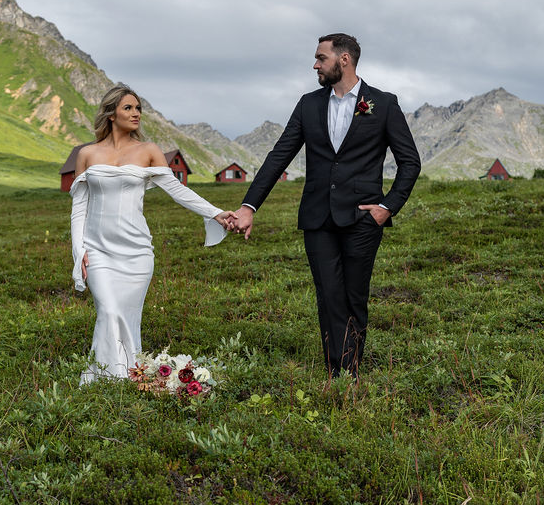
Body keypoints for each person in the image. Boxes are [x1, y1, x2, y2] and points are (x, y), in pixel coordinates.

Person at [229, 33, 421, 379]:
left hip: (363, 219)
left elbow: (410, 162)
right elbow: (278, 157)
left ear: (343, 60)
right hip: (317, 218)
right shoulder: (308, 104)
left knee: (354, 295)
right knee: (328, 293)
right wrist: (249, 206)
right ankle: (340, 372)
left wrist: (387, 207)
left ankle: (350, 366)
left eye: (321, 58)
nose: (315, 65)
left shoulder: (384, 103)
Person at [70, 84, 233, 384]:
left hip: (136, 253)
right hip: (99, 250)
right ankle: (107, 379)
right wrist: (79, 251)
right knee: (108, 310)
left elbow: (178, 191)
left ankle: (126, 377)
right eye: (128, 108)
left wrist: (216, 213)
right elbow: (79, 209)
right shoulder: (87, 154)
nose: (136, 114)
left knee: (127, 317)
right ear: (111, 113)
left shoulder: (148, 151)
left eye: (139, 108)